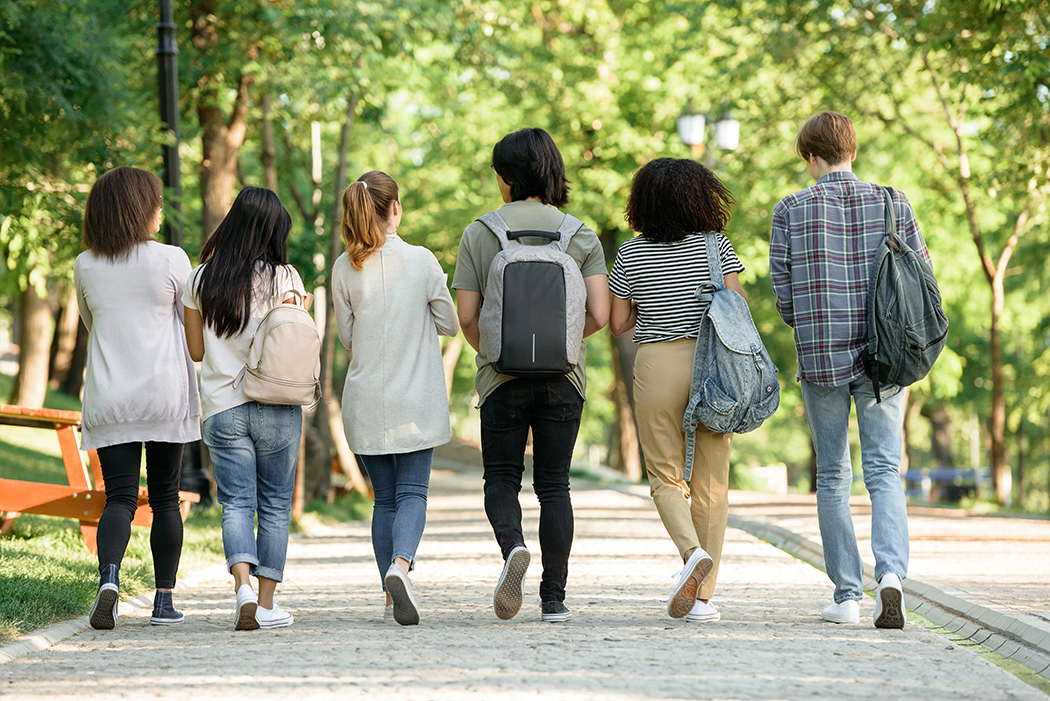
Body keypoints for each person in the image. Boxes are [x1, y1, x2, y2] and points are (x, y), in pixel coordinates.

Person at [769, 111, 930, 629]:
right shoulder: (892, 201)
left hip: (822, 359)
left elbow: (783, 290)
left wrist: (812, 326)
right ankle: (892, 578)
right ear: (852, 152)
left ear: (812, 158)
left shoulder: (790, 209)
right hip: (887, 358)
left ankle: (846, 597)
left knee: (833, 476)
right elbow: (922, 272)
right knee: (885, 471)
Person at [452, 127, 609, 623]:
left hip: (501, 380)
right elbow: (601, 314)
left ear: (506, 177)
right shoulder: (580, 233)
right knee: (555, 485)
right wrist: (561, 345)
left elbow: (466, 316)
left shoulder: (481, 231)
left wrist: (498, 352)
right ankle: (554, 599)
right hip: (565, 379)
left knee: (501, 477)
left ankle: (513, 548)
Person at [608, 158, 747, 623]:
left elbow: (619, 323)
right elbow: (737, 306)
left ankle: (691, 554)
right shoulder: (717, 246)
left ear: (641, 202)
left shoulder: (629, 253)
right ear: (700, 196)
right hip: (713, 364)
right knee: (711, 481)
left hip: (657, 363)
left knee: (666, 476)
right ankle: (702, 599)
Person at [75, 166, 201, 630]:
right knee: (166, 497)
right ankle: (163, 602)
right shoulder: (172, 258)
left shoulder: (85, 264)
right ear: (137, 208)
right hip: (164, 395)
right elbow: (191, 326)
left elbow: (93, 324)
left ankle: (109, 579)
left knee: (119, 498)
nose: (161, 210)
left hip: (111, 397)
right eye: (156, 202)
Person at [332, 171, 459, 626]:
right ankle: (401, 566)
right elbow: (449, 322)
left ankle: (389, 597)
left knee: (383, 500)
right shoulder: (422, 261)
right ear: (395, 209)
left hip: (366, 398)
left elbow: (348, 337)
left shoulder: (345, 268)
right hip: (415, 400)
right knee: (413, 493)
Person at [183, 186, 306, 631]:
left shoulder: (200, 279)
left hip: (222, 405)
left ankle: (243, 590)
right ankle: (268, 605)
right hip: (277, 403)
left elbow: (196, 351)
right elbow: (295, 341)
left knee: (236, 503)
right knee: (274, 505)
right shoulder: (286, 278)